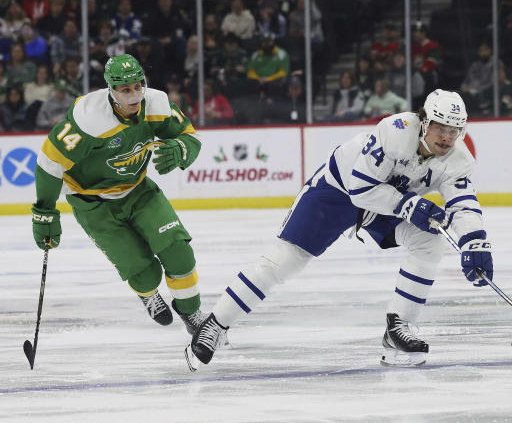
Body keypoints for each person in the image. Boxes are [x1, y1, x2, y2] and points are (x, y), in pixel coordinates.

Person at [185, 89, 493, 370]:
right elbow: (361, 189)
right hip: (339, 191)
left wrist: (475, 241)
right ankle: (215, 324)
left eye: (455, 131)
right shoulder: (396, 131)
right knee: (283, 261)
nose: (447, 138)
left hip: (389, 202)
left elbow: (463, 204)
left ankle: (398, 328)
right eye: (441, 127)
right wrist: (410, 205)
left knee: (430, 240)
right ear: (424, 121)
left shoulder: (458, 158)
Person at [31, 54, 208, 334]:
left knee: (179, 253)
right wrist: (44, 212)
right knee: (145, 274)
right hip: (93, 205)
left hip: (139, 192)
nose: (135, 94)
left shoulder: (157, 103)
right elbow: (49, 164)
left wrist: (180, 148)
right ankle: (148, 293)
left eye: (139, 86)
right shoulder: (88, 117)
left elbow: (190, 135)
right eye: (126, 90)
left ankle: (192, 314)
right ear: (111, 90)